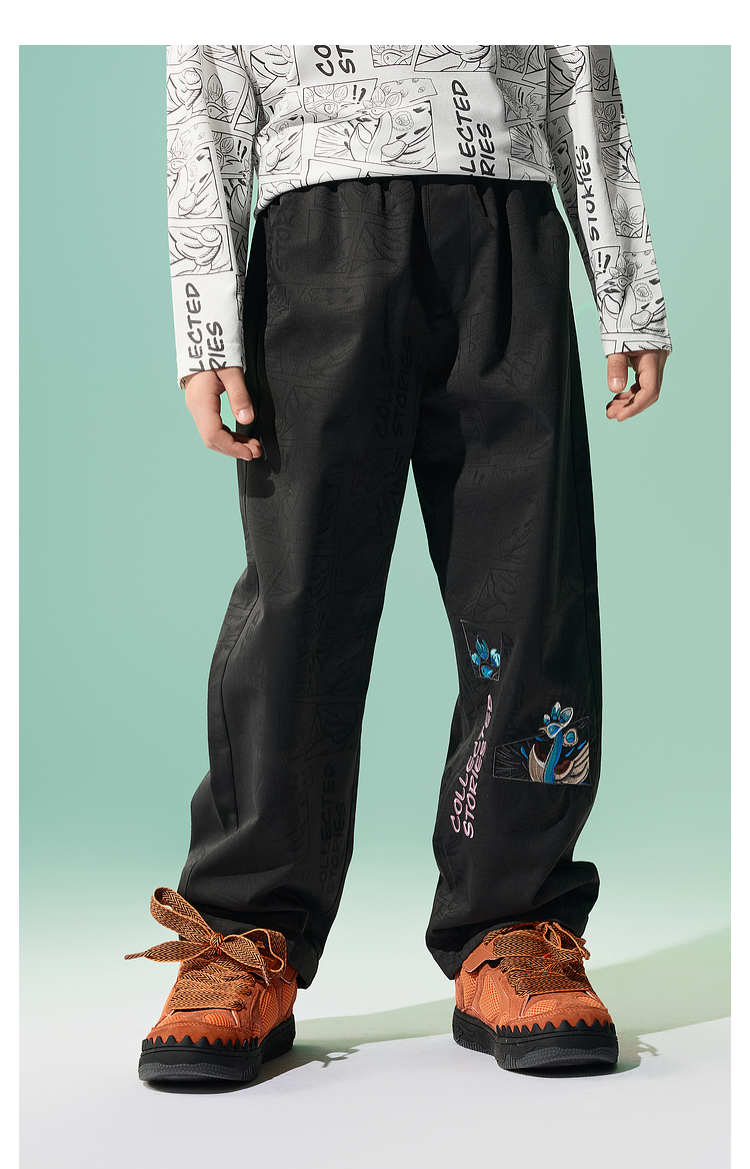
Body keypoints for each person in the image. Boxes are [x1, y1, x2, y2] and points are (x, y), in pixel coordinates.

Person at [126, 43, 670, 1083]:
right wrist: (205, 323)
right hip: (313, 225)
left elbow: (577, 62)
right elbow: (205, 76)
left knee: (529, 592)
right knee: (299, 599)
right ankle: (245, 929)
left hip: (504, 222)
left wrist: (629, 287)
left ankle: (512, 919)